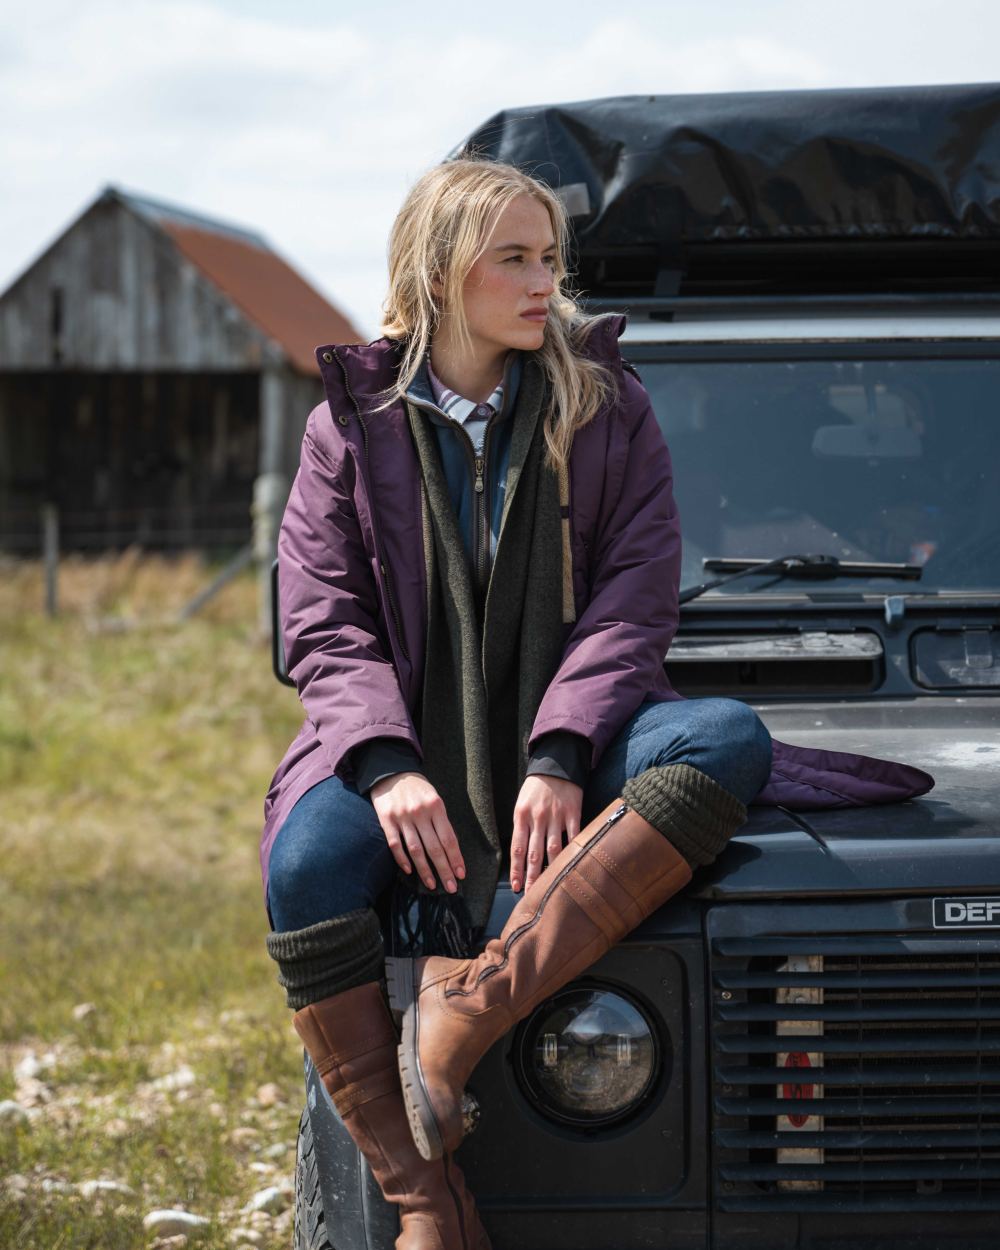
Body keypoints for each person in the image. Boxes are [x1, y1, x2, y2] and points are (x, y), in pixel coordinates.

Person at [260, 156, 776, 1250]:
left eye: (550, 258)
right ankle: (420, 1196)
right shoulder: (348, 426)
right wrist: (389, 764)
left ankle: (469, 1002)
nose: (546, 281)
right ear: (444, 270)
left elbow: (636, 600)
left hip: (569, 724)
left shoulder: (606, 404)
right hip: (395, 738)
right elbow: (321, 619)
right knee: (305, 864)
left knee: (723, 738)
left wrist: (558, 750)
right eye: (515, 259)